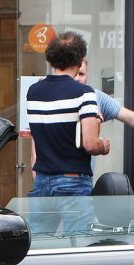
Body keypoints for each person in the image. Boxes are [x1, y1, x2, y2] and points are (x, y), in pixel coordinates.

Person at [25, 31, 109, 234]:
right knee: (77, 249)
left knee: (38, 247)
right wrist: (103, 146)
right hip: (73, 181)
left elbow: (39, 137)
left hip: (42, 182)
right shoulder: (84, 93)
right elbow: (90, 143)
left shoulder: (34, 92)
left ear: (51, 58)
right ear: (80, 61)